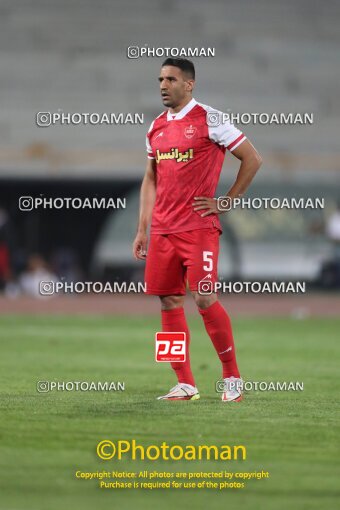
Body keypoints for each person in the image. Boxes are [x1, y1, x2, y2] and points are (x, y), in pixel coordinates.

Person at [133, 58, 262, 402]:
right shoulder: (156, 126)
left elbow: (252, 158)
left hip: (198, 227)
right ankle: (185, 383)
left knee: (204, 296)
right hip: (162, 230)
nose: (162, 85)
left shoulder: (211, 118)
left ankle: (232, 377)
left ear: (188, 85)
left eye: (170, 79)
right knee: (169, 300)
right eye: (160, 78)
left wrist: (227, 200)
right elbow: (150, 178)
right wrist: (143, 227)